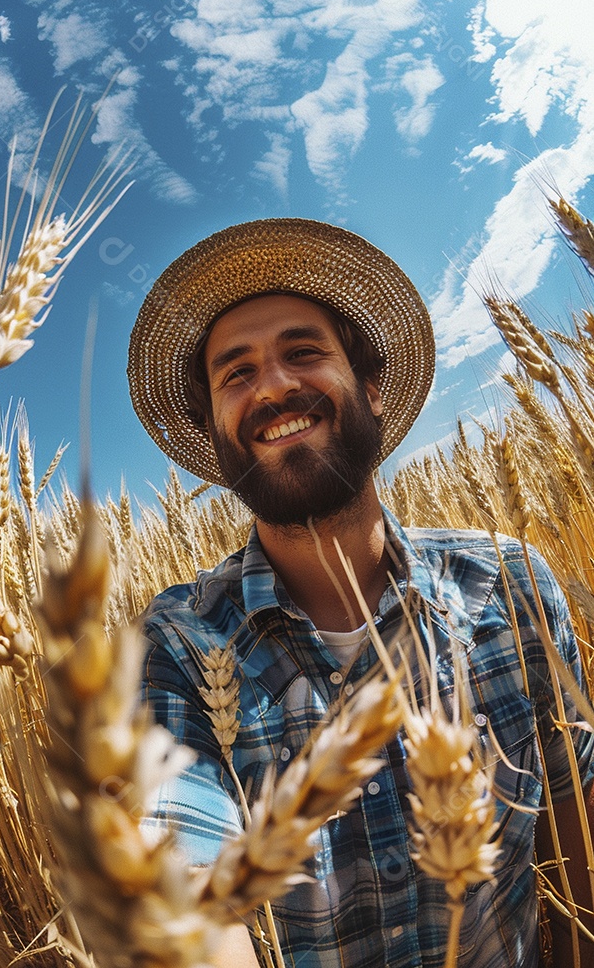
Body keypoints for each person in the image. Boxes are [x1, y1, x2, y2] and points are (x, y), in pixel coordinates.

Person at [128, 218, 594, 968]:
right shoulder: (177, 646)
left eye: (302, 352)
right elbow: (185, 893)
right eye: (235, 372)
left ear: (371, 387)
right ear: (213, 429)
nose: (274, 385)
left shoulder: (511, 588)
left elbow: (577, 847)